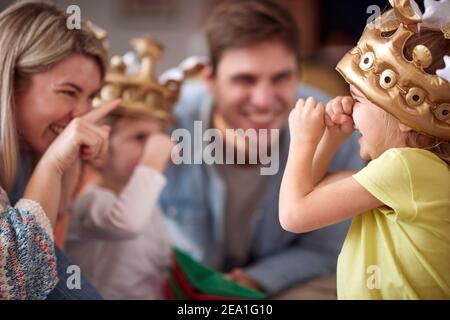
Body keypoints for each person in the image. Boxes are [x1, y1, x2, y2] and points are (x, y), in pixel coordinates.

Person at [160, 0, 364, 296]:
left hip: (282, 287)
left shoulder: (334, 128)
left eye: (281, 78)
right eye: (245, 79)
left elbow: (326, 248)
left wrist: (255, 281)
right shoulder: (166, 119)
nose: (264, 100)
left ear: (297, 74)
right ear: (210, 80)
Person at [279, 0, 450, 299]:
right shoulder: (410, 171)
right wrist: (331, 138)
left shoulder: (407, 166)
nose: (349, 107)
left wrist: (303, 141)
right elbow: (312, 189)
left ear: (405, 119)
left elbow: (295, 215)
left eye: (358, 98)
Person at [0, 1, 119, 299]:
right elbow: (17, 282)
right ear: (11, 83)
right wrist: (52, 165)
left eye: (91, 97)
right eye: (68, 92)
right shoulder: (48, 158)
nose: (82, 114)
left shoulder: (31, 150)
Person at [65, 107, 174, 300]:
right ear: (101, 152)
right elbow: (126, 223)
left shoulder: (151, 209)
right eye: (140, 138)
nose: (157, 146)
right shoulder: (92, 201)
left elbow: (161, 267)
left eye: (159, 137)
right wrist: (152, 159)